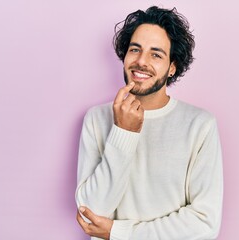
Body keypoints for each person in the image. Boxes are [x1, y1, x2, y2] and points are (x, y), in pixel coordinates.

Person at [75, 6, 223, 240]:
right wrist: (124, 132)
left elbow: (205, 223)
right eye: (135, 50)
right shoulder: (96, 118)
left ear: (172, 67)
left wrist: (118, 232)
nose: (141, 62)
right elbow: (90, 215)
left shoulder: (199, 125)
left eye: (156, 54)